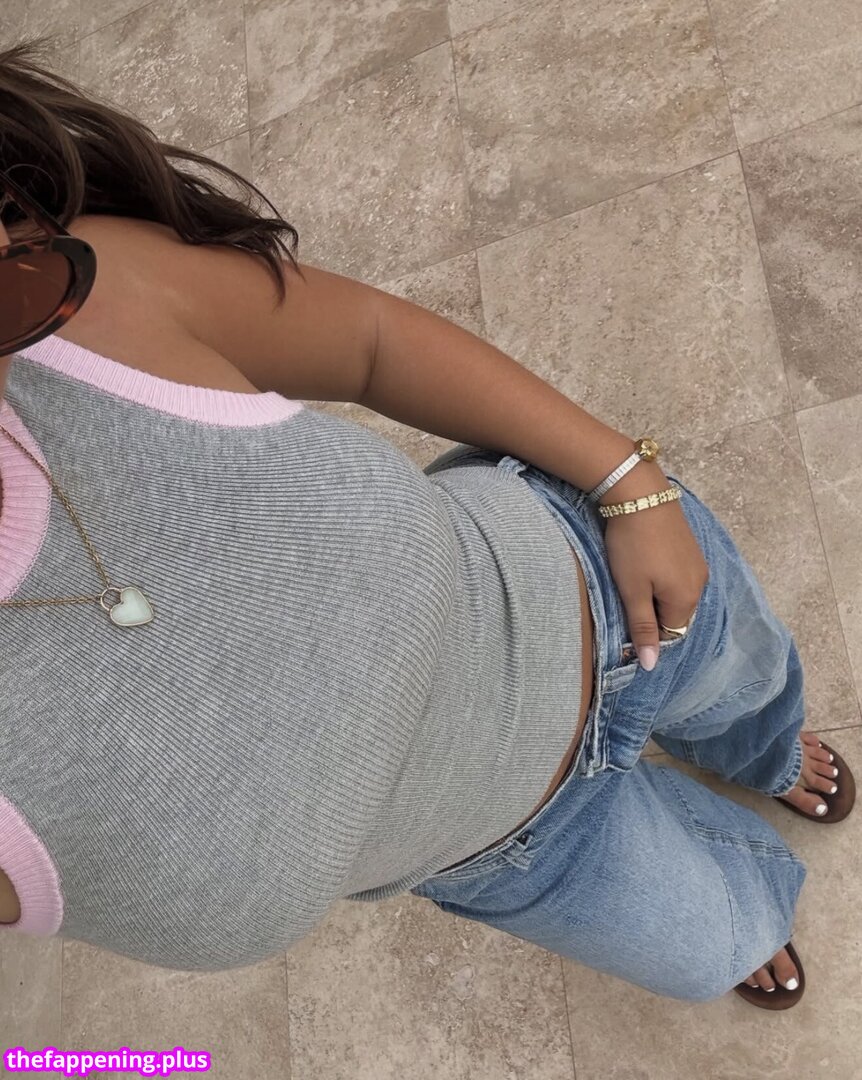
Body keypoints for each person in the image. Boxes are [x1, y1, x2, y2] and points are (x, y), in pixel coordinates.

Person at [0, 39, 854, 1010]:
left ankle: (766, 753)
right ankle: (743, 904)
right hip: (512, 851)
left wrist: (629, 480)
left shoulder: (68, 293)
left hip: (600, 578)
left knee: (753, 694)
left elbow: (371, 343)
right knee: (715, 940)